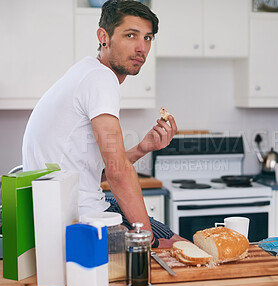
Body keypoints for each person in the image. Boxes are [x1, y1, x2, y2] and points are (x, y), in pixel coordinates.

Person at [22, 0, 185, 248]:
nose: (142, 47)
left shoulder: (85, 72)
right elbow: (118, 172)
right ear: (103, 37)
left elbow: (97, 171)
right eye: (131, 35)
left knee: (175, 241)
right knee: (178, 247)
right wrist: (147, 241)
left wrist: (143, 148)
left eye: (148, 38)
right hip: (81, 219)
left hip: (65, 210)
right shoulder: (101, 78)